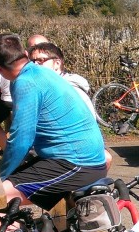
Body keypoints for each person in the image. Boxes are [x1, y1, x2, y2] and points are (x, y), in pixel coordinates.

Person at [0, 33, 108, 210]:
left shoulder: (26, 82)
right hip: (69, 159)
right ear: (25, 55)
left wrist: (2, 176)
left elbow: (21, 140)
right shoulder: (39, 72)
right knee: (6, 193)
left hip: (78, 164)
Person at [29, 41, 113, 169]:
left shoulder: (68, 89)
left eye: (40, 61)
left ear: (57, 63)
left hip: (70, 151)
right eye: (32, 61)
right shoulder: (42, 86)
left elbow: (87, 126)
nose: (35, 65)